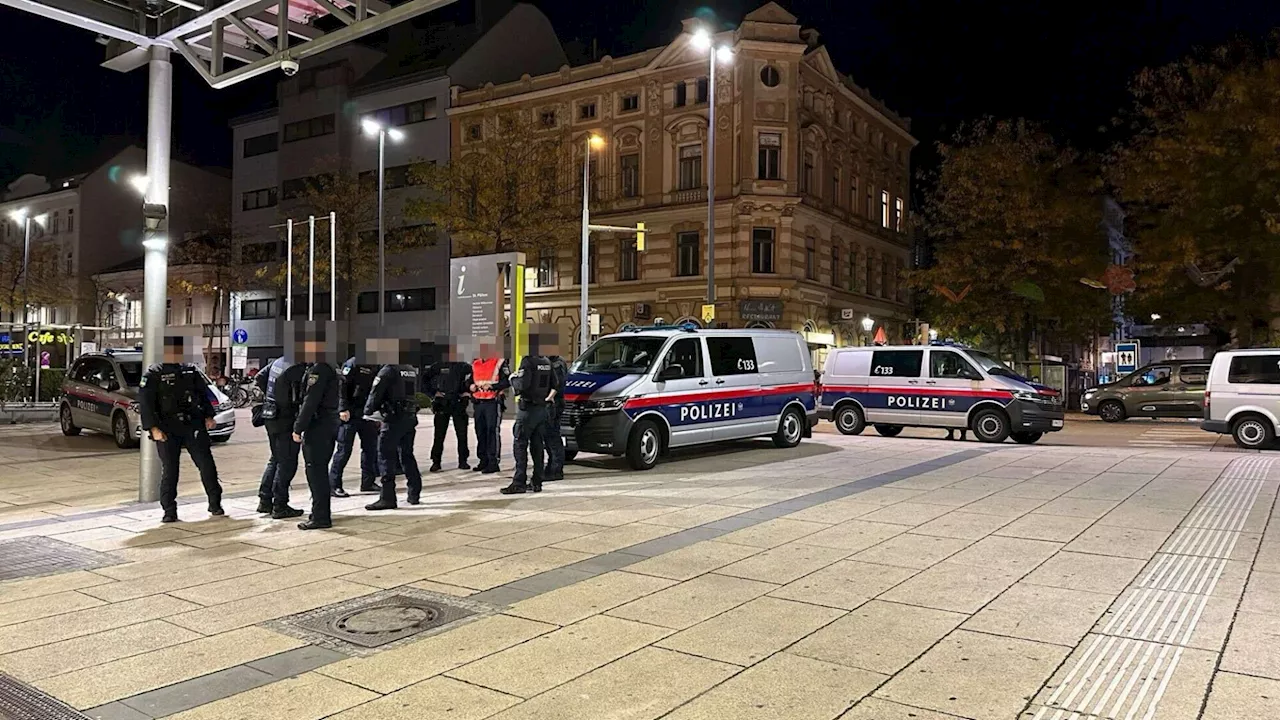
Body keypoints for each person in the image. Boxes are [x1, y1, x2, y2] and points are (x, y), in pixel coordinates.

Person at [138, 334, 223, 523]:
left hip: (193, 425)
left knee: (206, 465)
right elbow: (146, 404)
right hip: (167, 429)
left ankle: (215, 503)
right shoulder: (154, 374)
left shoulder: (190, 371)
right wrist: (152, 428)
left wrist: (209, 415)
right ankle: (169, 510)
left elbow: (204, 393)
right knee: (170, 470)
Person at [364, 341, 424, 510]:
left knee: (385, 457)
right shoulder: (410, 370)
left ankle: (387, 497)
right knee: (407, 455)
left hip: (392, 419)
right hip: (409, 418)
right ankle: (414, 492)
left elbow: (375, 394)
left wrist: (368, 412)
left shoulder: (388, 370)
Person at [293, 326, 341, 530]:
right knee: (320, 468)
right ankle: (320, 511)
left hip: (318, 425)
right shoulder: (333, 366)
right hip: (330, 422)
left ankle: (321, 516)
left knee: (315, 470)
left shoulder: (319, 369)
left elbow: (310, 401)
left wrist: (298, 427)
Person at [255, 347, 308, 519]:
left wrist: (272, 397)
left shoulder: (280, 360)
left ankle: (265, 501)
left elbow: (260, 377)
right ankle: (280, 505)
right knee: (287, 462)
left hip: (270, 414)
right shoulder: (298, 368)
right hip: (285, 418)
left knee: (275, 459)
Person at [502, 351, 556, 494]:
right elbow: (555, 384)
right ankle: (537, 481)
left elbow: (522, 385)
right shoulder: (546, 361)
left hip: (528, 410)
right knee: (537, 446)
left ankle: (519, 482)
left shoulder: (528, 361)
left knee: (520, 444)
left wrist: (512, 378)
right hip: (542, 409)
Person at [328, 356, 379, 496]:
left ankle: (368, 482)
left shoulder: (375, 364)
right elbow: (342, 386)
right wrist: (342, 408)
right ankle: (334, 484)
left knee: (370, 449)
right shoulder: (352, 363)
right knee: (344, 450)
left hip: (366, 413)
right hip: (350, 413)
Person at [424, 346, 472, 472]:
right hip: (442, 404)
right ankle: (436, 461)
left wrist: (467, 393)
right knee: (439, 435)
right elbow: (424, 380)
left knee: (462, 435)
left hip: (458, 403)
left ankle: (463, 461)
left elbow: (472, 380)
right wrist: (433, 393)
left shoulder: (464, 366)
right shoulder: (437, 366)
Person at [470, 338, 510, 475]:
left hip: (492, 402)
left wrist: (492, 386)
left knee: (492, 431)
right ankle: (483, 460)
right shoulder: (475, 363)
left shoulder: (499, 362)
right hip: (478, 402)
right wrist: (470, 386)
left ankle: (493, 462)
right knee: (480, 432)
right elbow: (469, 381)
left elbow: (507, 381)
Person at [541, 336, 569, 482]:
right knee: (548, 436)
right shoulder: (548, 362)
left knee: (552, 436)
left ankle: (556, 469)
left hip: (554, 403)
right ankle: (551, 466)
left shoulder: (557, 363)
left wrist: (549, 397)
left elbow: (557, 385)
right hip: (550, 403)